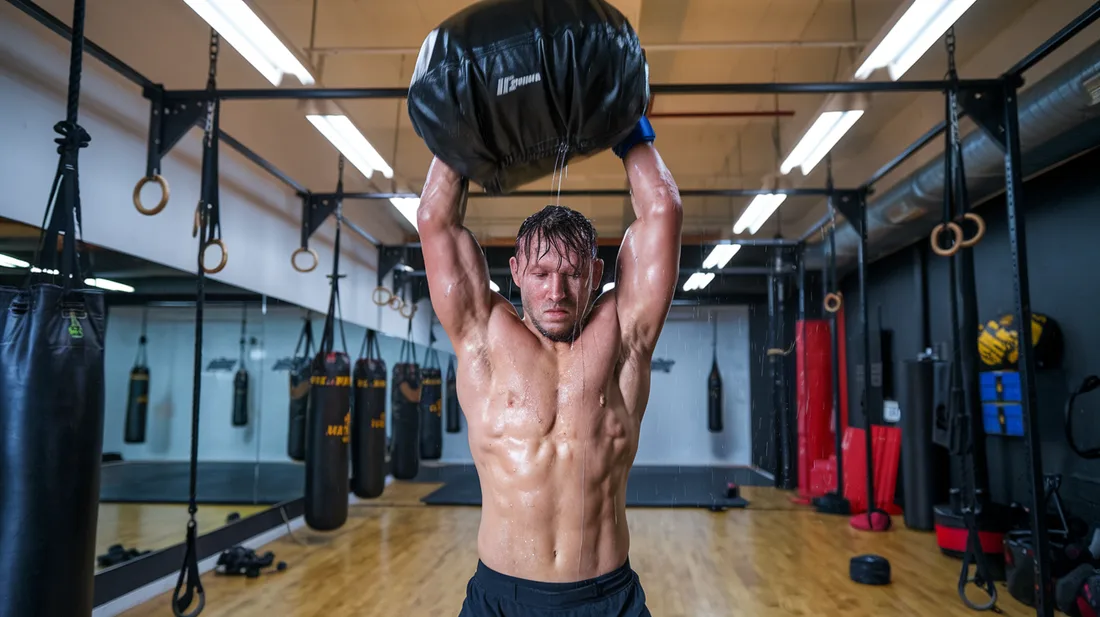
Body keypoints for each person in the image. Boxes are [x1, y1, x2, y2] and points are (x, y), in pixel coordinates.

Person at [417, 117, 682, 617]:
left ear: (596, 274)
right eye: (540, 273)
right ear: (515, 271)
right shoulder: (484, 338)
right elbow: (435, 220)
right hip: (503, 599)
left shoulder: (622, 335)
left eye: (572, 274)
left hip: (607, 599)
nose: (556, 293)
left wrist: (627, 127)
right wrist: (461, 127)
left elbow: (662, 210)